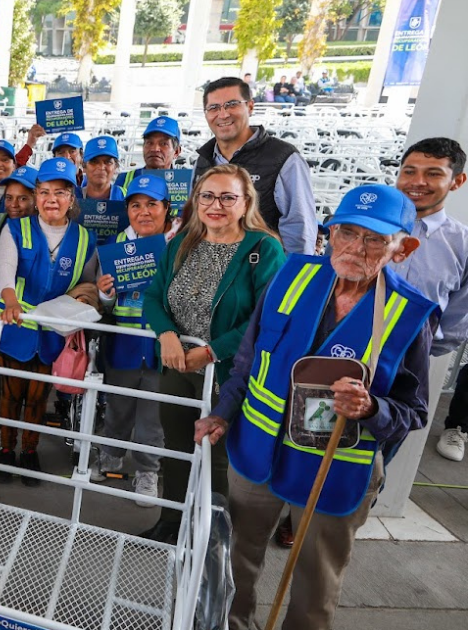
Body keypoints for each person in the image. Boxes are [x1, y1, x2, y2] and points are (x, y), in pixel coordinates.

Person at [197, 184, 437, 630]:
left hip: (338, 466)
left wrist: (370, 409)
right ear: (328, 233)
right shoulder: (291, 275)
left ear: (403, 249)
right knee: (235, 560)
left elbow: (415, 411)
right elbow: (250, 359)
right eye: (346, 232)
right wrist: (222, 412)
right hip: (257, 451)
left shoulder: (410, 315)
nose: (355, 248)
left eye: (374, 239)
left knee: (315, 581)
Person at [139, 164, 286, 543]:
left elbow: (266, 317)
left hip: (227, 372)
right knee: (176, 446)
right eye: (207, 196)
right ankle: (172, 521)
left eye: (227, 197)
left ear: (245, 202)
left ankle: (215, 535)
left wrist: (212, 352)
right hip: (177, 364)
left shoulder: (263, 248)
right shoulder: (183, 241)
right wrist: (167, 334)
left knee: (218, 455)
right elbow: (154, 297)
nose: (215, 205)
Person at [0, 158, 100, 485]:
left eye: (60, 192)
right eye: (44, 191)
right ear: (36, 196)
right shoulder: (14, 229)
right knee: (10, 395)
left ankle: (29, 450)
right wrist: (10, 301)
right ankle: (6, 450)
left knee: (38, 397)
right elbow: (5, 273)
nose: (51, 199)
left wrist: (85, 299)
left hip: (53, 331)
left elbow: (87, 283)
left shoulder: (85, 239)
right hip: (17, 327)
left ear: (72, 198)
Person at [92, 175, 182, 505]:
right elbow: (104, 305)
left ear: (166, 209)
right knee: (117, 407)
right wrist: (104, 294)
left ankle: (147, 470)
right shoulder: (113, 248)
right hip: (124, 345)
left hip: (162, 351)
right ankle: (110, 454)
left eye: (152, 204)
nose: (143, 212)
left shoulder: (179, 248)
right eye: (135, 205)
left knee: (153, 417)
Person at [388, 138, 468, 462]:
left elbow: (457, 318)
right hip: (340, 351)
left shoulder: (461, 245)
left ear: (457, 181)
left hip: (406, 368)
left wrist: (417, 350)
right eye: (410, 171)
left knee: (373, 460)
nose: (418, 182)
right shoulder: (364, 226)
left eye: (433, 173)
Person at [193, 76, 317, 255]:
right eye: (214, 108)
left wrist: (288, 278)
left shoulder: (283, 159)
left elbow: (300, 230)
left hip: (262, 274)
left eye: (232, 104)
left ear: (250, 106)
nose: (223, 114)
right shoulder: (203, 159)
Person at [118, 116, 183, 189]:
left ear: (176, 152)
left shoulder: (185, 184)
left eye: (164, 144)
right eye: (149, 143)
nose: (155, 149)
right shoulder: (124, 180)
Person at [80, 135, 127, 203]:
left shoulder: (126, 197)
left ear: (115, 166)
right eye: (94, 162)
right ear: (84, 166)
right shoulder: (72, 198)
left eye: (108, 162)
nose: (101, 167)